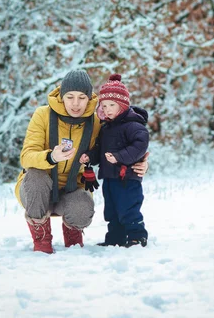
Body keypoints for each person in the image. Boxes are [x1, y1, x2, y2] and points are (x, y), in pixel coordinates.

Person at [15, 70, 148, 254]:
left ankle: (73, 237)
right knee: (36, 176)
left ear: (89, 99)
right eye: (70, 97)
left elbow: (123, 137)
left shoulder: (95, 121)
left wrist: (140, 162)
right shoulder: (42, 115)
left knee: (83, 206)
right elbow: (26, 156)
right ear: (62, 96)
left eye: (81, 97)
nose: (75, 104)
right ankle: (41, 240)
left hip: (72, 188)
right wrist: (51, 157)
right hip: (38, 190)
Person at [80, 74, 149, 247]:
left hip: (127, 177)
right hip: (110, 177)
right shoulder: (106, 127)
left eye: (112, 105)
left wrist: (119, 157)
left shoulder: (134, 125)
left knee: (128, 207)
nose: (108, 109)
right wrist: (91, 156)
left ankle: (137, 235)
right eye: (104, 106)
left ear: (123, 105)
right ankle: (115, 237)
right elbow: (101, 150)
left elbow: (140, 145)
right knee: (111, 209)